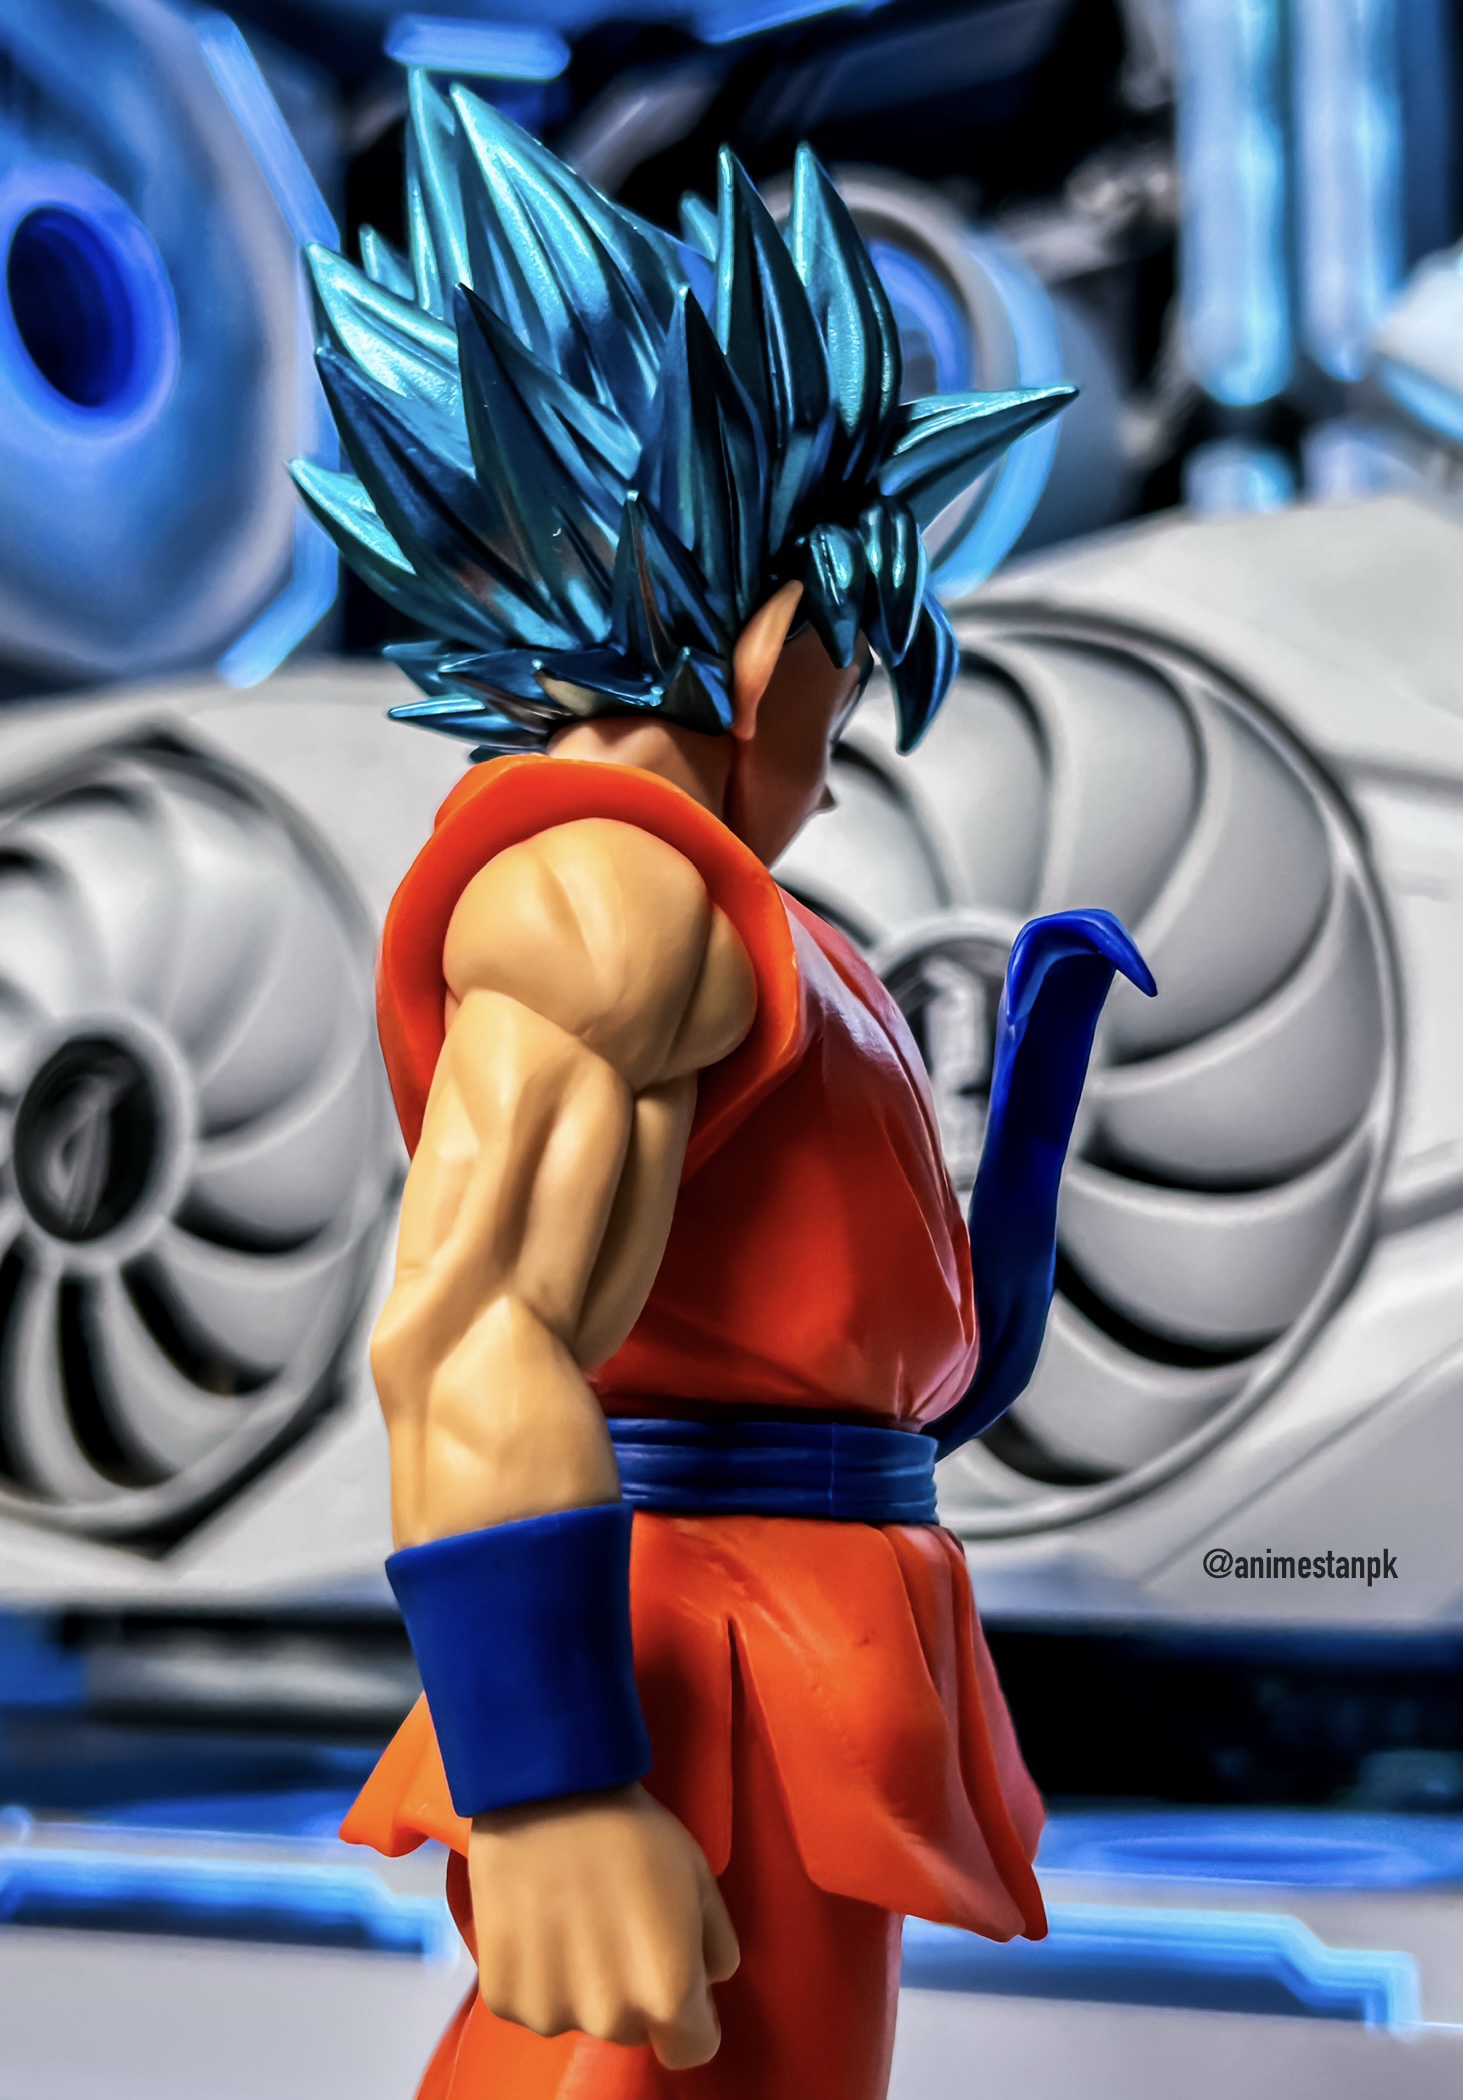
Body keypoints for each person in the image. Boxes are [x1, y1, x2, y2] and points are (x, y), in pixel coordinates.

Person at [293, 74, 1149, 2100]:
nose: (834, 761)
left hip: (796, 1637)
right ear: (769, 643)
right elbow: (467, 1336)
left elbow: (835, 1328)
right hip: (705, 1657)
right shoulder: (608, 900)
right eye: (842, 675)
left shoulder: (719, 909)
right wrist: (552, 1786)